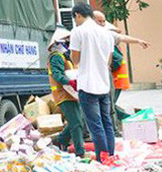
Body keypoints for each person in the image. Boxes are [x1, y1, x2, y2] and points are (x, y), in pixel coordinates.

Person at [69, 3, 116, 163]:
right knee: (107, 123)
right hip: (104, 85)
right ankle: (110, 156)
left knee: (95, 126)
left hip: (88, 85)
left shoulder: (78, 31)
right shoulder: (106, 33)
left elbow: (75, 59)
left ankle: (102, 160)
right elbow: (109, 60)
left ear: (77, 15)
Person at [47, 28, 84, 157]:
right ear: (59, 43)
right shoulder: (56, 57)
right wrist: (70, 82)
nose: (69, 44)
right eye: (66, 41)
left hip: (71, 94)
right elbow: (57, 75)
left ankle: (60, 140)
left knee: (78, 121)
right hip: (63, 95)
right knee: (76, 123)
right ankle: (80, 153)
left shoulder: (65, 57)